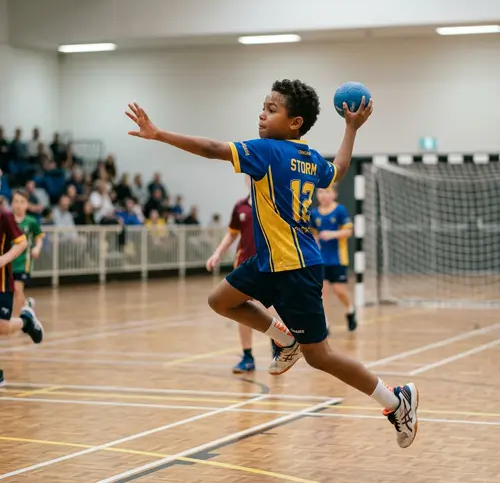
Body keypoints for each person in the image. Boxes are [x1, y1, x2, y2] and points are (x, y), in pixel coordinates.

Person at [125, 79, 419, 449]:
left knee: (321, 357)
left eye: (272, 109)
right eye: (262, 107)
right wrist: (350, 129)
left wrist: (158, 134)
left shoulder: (266, 151)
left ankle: (395, 401)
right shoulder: (310, 159)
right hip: (269, 261)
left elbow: (214, 148)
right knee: (221, 300)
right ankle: (284, 339)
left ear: (294, 122)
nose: (262, 115)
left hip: (295, 268)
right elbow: (340, 169)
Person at [206, 176, 260, 373]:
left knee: (272, 312)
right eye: (249, 174)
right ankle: (247, 357)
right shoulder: (240, 207)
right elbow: (232, 234)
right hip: (244, 266)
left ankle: (279, 350)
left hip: (270, 267)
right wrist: (218, 253)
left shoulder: (275, 203)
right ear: (246, 178)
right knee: (242, 310)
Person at [0, 206, 44, 385]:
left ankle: (26, 321)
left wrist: (3, 259)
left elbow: (22, 243)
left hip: (2, 283)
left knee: (2, 327)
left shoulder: (4, 215)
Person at [311, 185, 357, 331]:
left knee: (339, 290)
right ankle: (325, 323)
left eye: (327, 192)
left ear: (334, 194)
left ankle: (350, 310)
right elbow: (312, 233)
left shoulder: (339, 210)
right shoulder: (314, 213)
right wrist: (315, 241)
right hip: (320, 259)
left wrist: (332, 234)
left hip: (337, 258)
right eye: (321, 192)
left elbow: (348, 231)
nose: (324, 195)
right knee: (321, 291)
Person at [11, 191, 44, 315]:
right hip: (9, 261)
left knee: (17, 288)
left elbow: (39, 238)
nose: (19, 205)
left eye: (22, 201)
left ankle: (20, 319)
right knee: (13, 291)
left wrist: (37, 248)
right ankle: (27, 305)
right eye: (16, 201)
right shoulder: (7, 221)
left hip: (24, 261)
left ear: (27, 205)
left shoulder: (31, 222)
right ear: (12, 204)